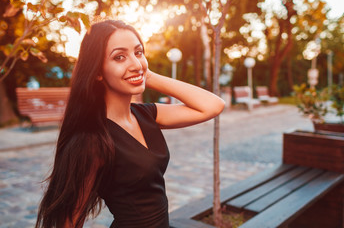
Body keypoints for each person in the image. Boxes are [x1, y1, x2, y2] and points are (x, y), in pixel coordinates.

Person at [35, 20, 225, 228]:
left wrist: (145, 73)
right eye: (119, 57)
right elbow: (69, 221)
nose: (134, 62)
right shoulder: (93, 140)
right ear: (97, 71)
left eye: (138, 52)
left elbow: (212, 105)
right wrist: (138, 70)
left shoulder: (146, 114)